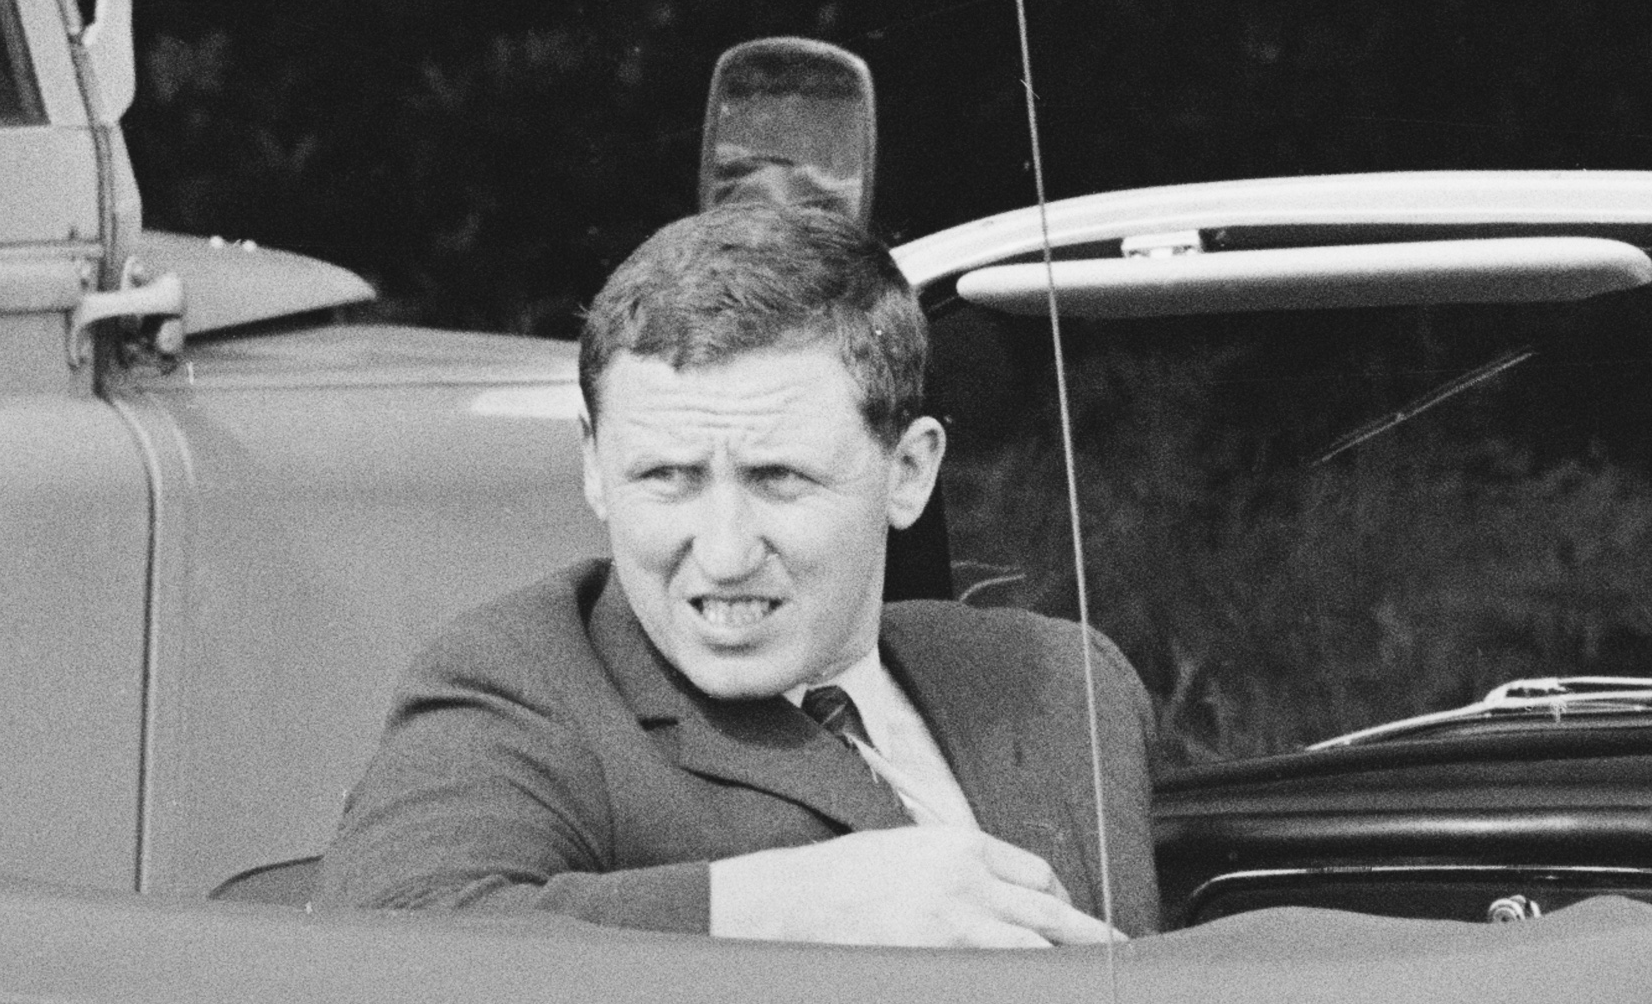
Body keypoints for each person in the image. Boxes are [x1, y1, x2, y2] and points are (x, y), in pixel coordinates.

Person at [322, 199, 1157, 943]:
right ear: (592, 468)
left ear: (908, 472)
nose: (722, 554)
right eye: (666, 478)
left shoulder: (1063, 684)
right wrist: (786, 908)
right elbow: (383, 938)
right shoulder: (525, 684)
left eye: (778, 479)